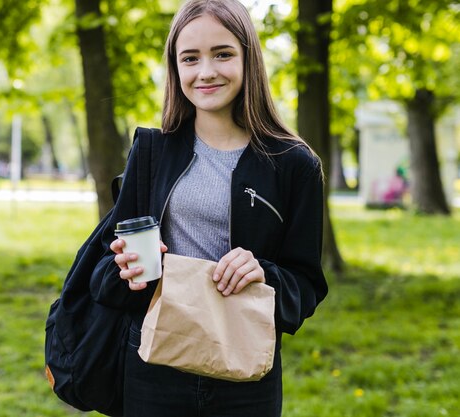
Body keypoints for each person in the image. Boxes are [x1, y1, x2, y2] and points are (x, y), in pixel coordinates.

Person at [90, 1, 328, 416]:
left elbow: (305, 287)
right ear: (175, 68)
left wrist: (263, 273)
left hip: (245, 373)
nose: (206, 71)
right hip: (152, 365)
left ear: (248, 58)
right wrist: (125, 269)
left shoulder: (295, 164)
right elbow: (102, 279)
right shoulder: (151, 153)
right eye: (190, 58)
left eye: (222, 53)